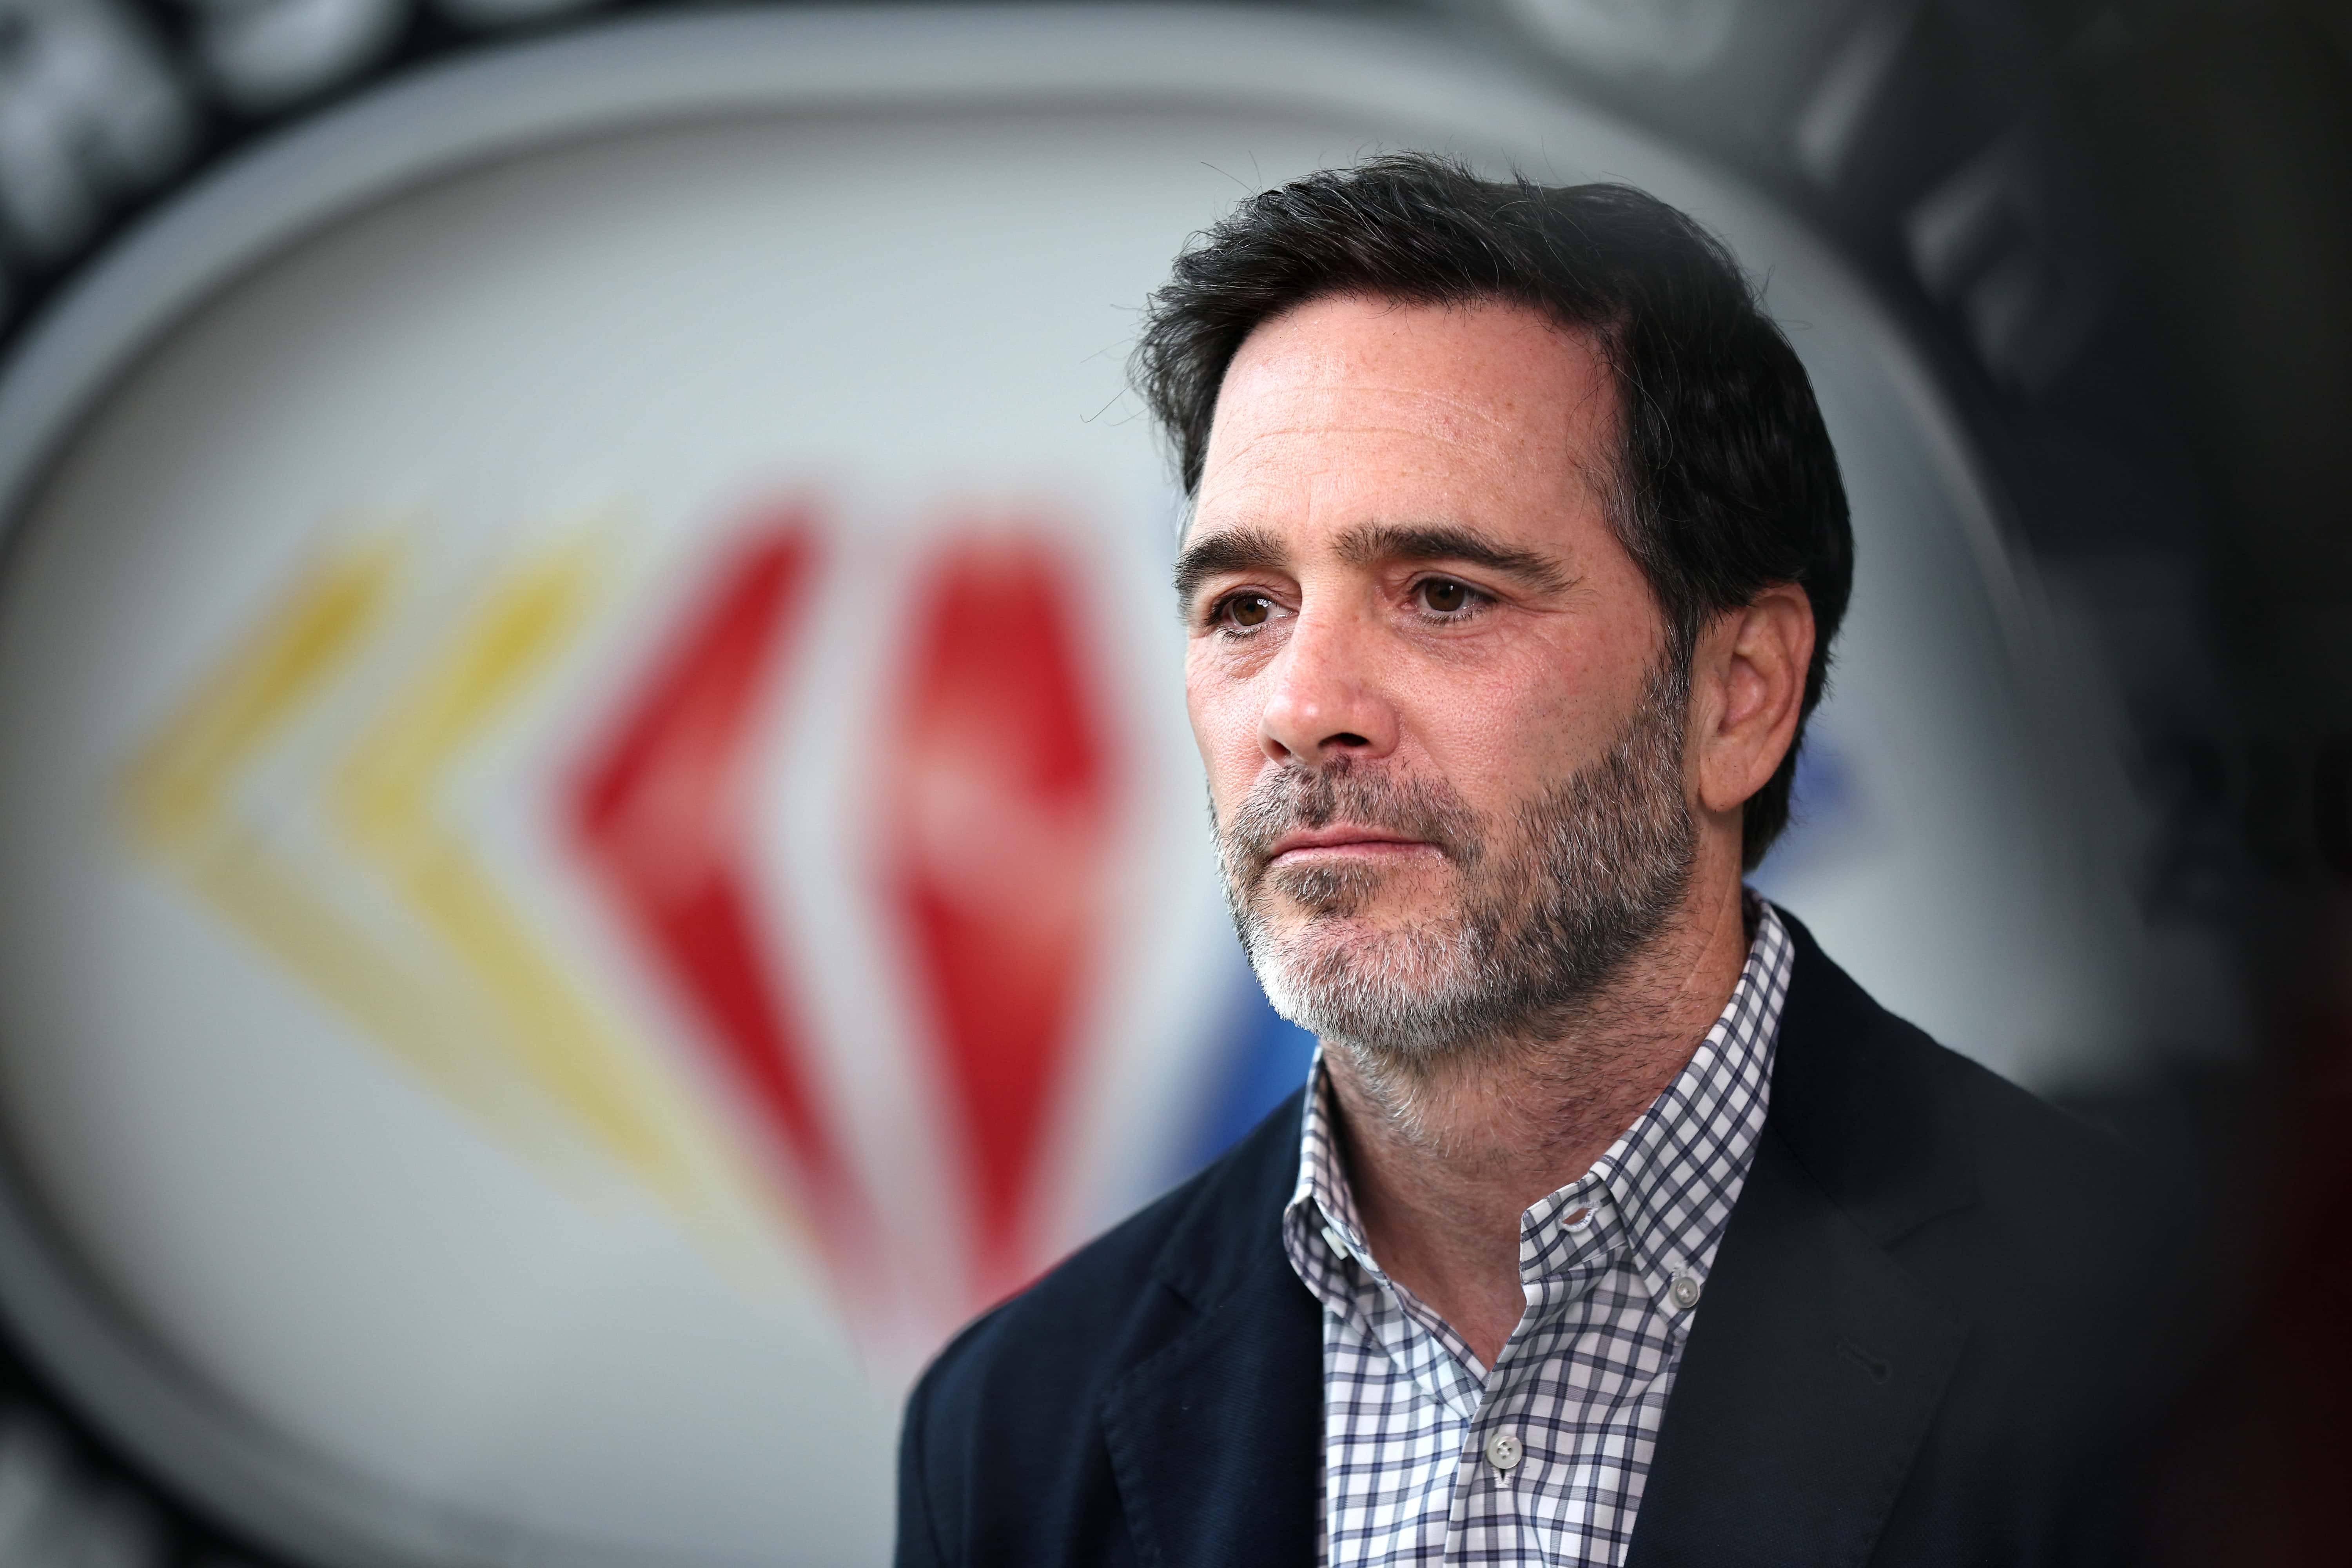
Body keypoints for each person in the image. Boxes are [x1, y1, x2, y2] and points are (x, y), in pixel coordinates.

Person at [894, 155, 2171, 1568]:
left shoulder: (2171, 1365)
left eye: (1444, 595)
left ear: (1739, 692)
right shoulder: (1011, 1429)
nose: (1302, 705)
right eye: (1246, 606)